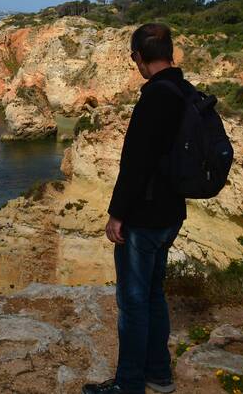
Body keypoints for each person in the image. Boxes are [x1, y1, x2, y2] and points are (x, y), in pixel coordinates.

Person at [83, 23, 189, 394]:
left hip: (144, 216)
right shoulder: (185, 90)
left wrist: (117, 214)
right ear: (170, 52)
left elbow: (137, 164)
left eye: (134, 58)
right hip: (172, 212)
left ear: (139, 57)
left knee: (133, 303)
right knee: (154, 295)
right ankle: (159, 376)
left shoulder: (155, 97)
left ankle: (128, 385)